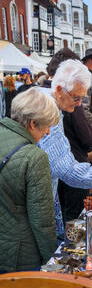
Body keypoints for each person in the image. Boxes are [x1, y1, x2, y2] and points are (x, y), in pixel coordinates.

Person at [38, 59, 92, 212]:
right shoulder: (47, 110)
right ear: (59, 90)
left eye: (82, 97)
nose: (80, 103)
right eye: (76, 97)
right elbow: (65, 167)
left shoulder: (48, 100)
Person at [0, 88, 59, 272]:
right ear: (33, 123)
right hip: (19, 256)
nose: (48, 132)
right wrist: (52, 260)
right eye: (47, 125)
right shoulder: (35, 157)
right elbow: (42, 220)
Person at [45, 48, 92, 224]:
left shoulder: (47, 96)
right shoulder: (58, 102)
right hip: (64, 177)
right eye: (77, 98)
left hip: (54, 182)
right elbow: (86, 141)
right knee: (71, 222)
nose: (78, 103)